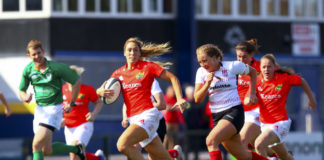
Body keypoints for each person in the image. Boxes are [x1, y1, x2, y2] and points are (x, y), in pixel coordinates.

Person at [97, 37, 187, 160]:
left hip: (148, 115)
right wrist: (100, 91)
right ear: (124, 52)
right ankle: (177, 156)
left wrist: (180, 98)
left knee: (122, 144)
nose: (132, 53)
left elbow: (173, 78)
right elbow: (104, 92)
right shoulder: (118, 74)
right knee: (161, 157)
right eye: (129, 50)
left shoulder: (148, 67)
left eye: (135, 50)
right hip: (133, 119)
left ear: (140, 53)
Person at [194, 44, 268, 160]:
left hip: (234, 112)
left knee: (211, 141)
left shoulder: (232, 66)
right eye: (200, 62)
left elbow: (253, 72)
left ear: (215, 57)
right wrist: (207, 84)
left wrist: (252, 92)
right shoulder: (201, 72)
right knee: (244, 156)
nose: (203, 65)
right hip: (217, 117)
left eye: (205, 61)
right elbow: (197, 99)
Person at [18, 40, 85, 160]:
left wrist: (71, 103)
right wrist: (25, 97)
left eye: (39, 53)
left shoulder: (56, 67)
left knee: (36, 145)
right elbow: (21, 90)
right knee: (47, 151)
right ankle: (76, 149)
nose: (37, 56)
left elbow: (76, 81)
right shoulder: (28, 69)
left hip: (54, 109)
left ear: (43, 52)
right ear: (29, 56)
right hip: (39, 111)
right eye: (34, 54)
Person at [254, 54, 316, 160]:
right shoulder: (257, 80)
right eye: (264, 67)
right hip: (265, 125)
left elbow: (302, 81)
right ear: (260, 68)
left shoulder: (284, 79)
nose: (266, 69)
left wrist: (311, 99)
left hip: (280, 123)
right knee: (284, 156)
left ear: (274, 67)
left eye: (269, 66)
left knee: (259, 145)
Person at [121, 79, 184, 160]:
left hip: (155, 123)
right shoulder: (129, 83)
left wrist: (144, 107)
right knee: (132, 148)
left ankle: (175, 153)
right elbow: (126, 103)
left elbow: (161, 104)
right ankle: (175, 153)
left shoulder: (150, 81)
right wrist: (125, 118)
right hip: (138, 124)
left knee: (153, 156)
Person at [62, 65, 106, 160]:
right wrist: (59, 120)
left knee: (75, 149)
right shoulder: (62, 90)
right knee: (75, 156)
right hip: (68, 128)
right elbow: (57, 108)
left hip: (84, 124)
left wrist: (93, 114)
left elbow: (98, 102)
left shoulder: (87, 89)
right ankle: (98, 158)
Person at [235, 39, 262, 149]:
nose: (241, 60)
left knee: (242, 141)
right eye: (238, 56)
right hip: (240, 112)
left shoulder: (262, 67)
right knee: (256, 146)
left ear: (252, 55)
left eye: (244, 57)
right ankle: (279, 156)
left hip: (257, 111)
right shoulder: (234, 68)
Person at [163, 85, 185, 150]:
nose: (173, 92)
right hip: (167, 122)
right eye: (172, 91)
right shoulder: (165, 98)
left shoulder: (175, 99)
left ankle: (172, 154)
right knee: (166, 138)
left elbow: (182, 106)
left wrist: (174, 107)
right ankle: (163, 154)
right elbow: (168, 108)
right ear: (168, 91)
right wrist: (175, 107)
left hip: (175, 122)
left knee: (173, 140)